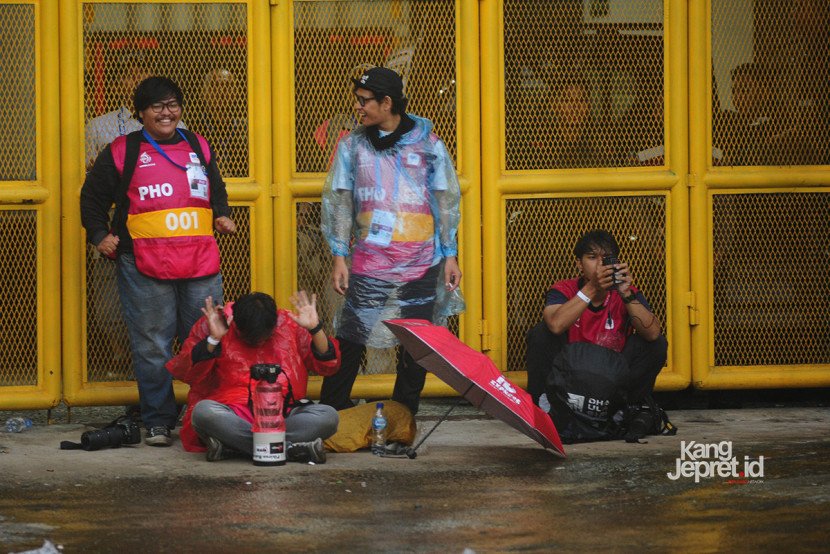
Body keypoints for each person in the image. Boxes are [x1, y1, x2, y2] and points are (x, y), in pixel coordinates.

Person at [81, 76, 237, 447]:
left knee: (208, 339)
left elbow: (216, 188)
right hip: (144, 266)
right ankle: (158, 421)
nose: (166, 113)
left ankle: (211, 417)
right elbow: (92, 197)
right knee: (152, 345)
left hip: (200, 263)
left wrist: (222, 213)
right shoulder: (123, 150)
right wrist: (100, 235)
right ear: (141, 113)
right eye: (157, 107)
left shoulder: (198, 144)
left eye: (172, 105)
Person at [319, 66, 463, 415]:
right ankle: (331, 411)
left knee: (415, 345)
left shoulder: (429, 145)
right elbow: (339, 202)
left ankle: (402, 416)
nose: (358, 107)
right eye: (358, 100)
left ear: (387, 102)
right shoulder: (353, 146)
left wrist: (450, 254)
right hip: (370, 261)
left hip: (421, 262)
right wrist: (339, 255)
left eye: (364, 101)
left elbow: (446, 202)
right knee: (352, 337)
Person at [165, 291, 340, 463]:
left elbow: (327, 365)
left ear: (274, 325)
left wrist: (315, 329)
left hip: (283, 412)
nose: (258, 343)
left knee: (329, 416)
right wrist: (213, 340)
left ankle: (235, 447)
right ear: (237, 325)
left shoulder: (289, 323)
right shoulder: (217, 324)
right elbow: (186, 372)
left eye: (264, 338)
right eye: (250, 338)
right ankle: (289, 449)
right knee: (203, 413)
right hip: (235, 413)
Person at [525, 230, 667, 438]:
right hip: (569, 379)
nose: (600, 265)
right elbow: (555, 325)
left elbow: (654, 334)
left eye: (606, 259)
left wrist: (627, 294)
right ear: (579, 265)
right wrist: (592, 288)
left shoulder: (626, 291)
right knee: (540, 334)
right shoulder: (563, 289)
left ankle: (629, 409)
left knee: (654, 344)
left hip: (610, 380)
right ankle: (542, 411)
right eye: (592, 258)